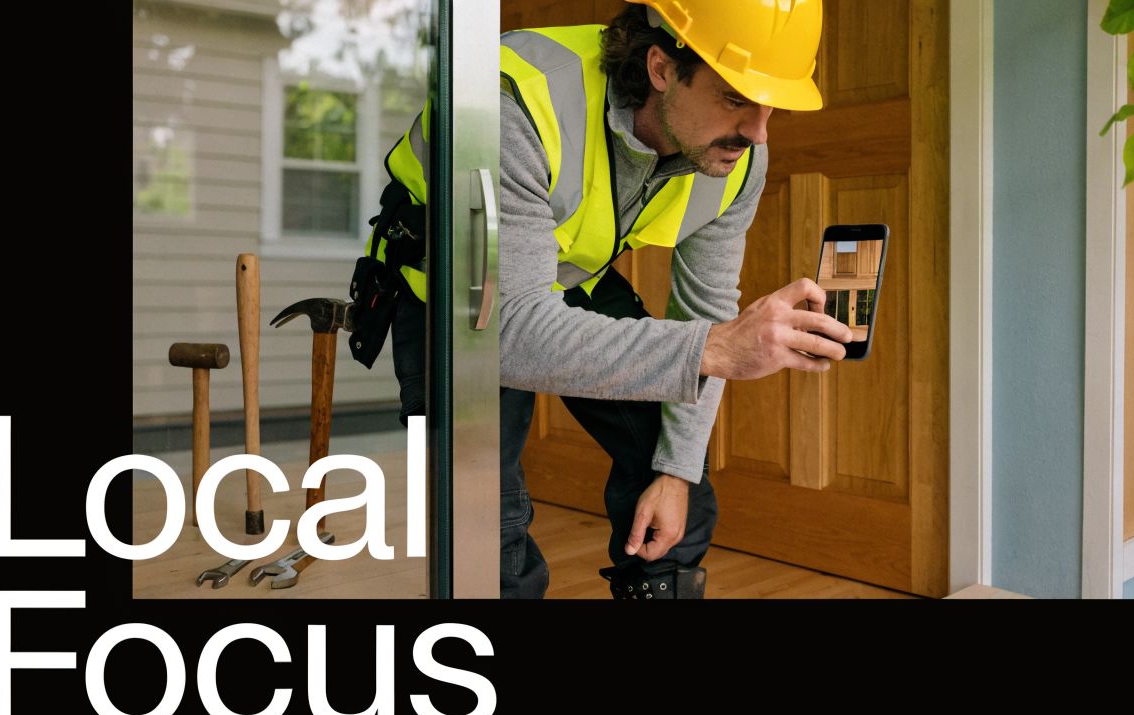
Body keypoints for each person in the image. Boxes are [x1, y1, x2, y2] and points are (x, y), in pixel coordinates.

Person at [359, 0, 851, 599]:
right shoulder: (505, 99)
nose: (757, 132)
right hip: (456, 296)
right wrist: (716, 347)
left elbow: (706, 309)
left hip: (568, 278)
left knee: (680, 494)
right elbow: (505, 332)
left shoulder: (736, 160)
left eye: (771, 105)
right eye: (734, 98)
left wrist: (674, 470)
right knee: (486, 533)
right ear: (662, 68)